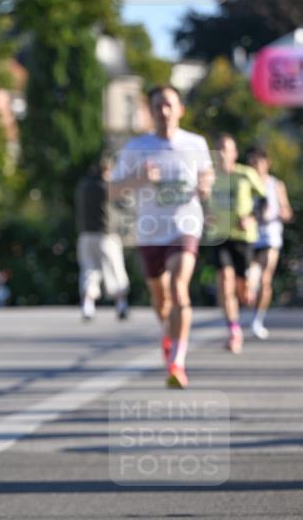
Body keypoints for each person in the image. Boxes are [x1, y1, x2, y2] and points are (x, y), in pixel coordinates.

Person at [110, 85, 214, 388]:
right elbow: (113, 190)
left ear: (180, 109)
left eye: (169, 105)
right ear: (151, 111)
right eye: (157, 106)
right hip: (150, 231)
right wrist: (139, 179)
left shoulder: (196, 144)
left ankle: (177, 362)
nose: (163, 111)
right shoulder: (136, 147)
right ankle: (168, 334)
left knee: (179, 287)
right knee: (161, 298)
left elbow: (207, 175)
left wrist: (206, 185)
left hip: (185, 226)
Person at [207, 135, 265, 353]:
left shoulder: (246, 174)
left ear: (234, 153)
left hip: (243, 236)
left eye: (226, 149)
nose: (222, 154)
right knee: (224, 280)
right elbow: (200, 200)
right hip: (219, 236)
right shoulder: (209, 176)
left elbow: (264, 199)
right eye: (219, 149)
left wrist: (252, 217)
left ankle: (251, 281)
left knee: (243, 290)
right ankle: (233, 330)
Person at [245, 146, 293, 339]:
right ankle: (248, 303)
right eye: (251, 162)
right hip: (248, 237)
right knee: (249, 281)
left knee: (265, 279)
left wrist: (275, 214)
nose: (255, 166)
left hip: (270, 237)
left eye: (258, 162)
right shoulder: (245, 183)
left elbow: (287, 212)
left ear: (267, 163)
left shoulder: (276, 185)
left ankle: (257, 319)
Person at [75, 157, 129, 320]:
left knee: (89, 270)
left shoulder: (83, 186)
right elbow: (124, 203)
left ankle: (88, 305)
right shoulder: (107, 187)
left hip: (86, 235)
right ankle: (121, 304)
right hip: (106, 234)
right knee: (115, 269)